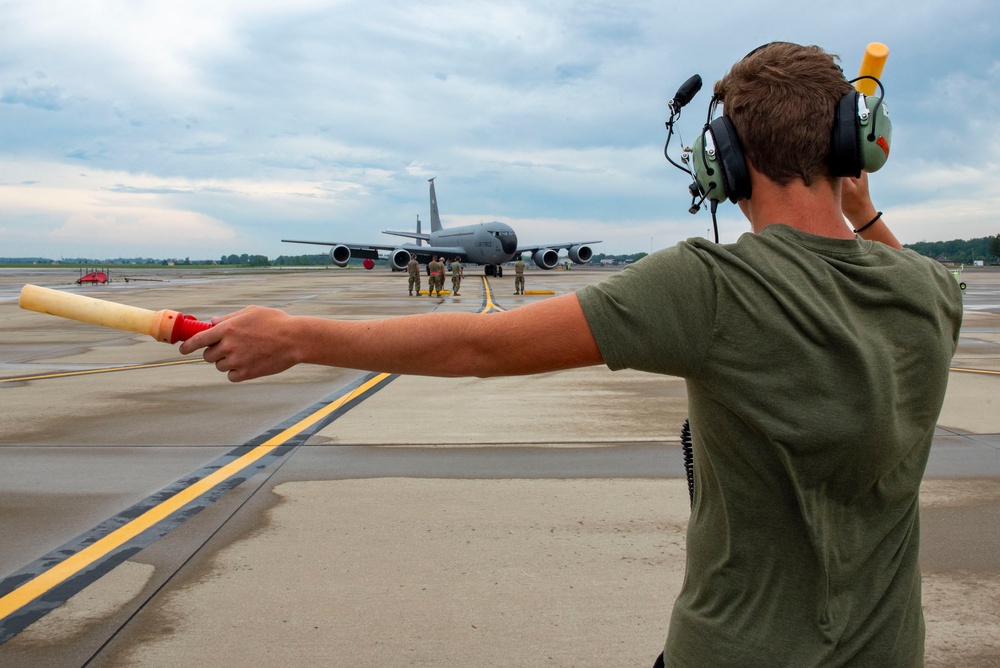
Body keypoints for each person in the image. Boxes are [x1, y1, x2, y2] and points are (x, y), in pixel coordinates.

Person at [180, 42, 963, 666]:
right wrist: (857, 205)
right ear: (853, 147)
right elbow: (893, 263)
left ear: (721, 161)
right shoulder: (933, 293)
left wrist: (298, 334)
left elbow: (480, 345)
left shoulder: (710, 285)